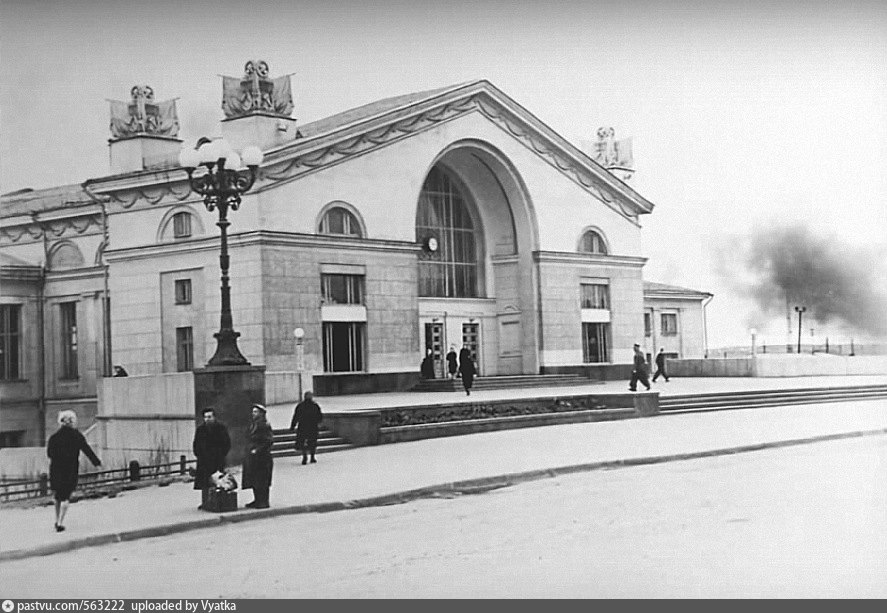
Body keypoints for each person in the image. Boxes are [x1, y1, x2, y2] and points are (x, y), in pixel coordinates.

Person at [46, 410, 102, 532]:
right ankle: (60, 522)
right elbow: (87, 450)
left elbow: (49, 454)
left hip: (56, 469)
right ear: (73, 422)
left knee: (57, 495)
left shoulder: (54, 437)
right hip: (70, 469)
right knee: (66, 496)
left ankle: (56, 520)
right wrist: (97, 462)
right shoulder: (77, 436)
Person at [192, 407, 232, 510]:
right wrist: (198, 454)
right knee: (204, 482)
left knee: (217, 481)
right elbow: (196, 443)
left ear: (214, 417)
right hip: (203, 460)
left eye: (209, 417)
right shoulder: (200, 429)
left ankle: (216, 501)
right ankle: (205, 502)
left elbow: (226, 443)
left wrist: (221, 454)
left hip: (217, 459)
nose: (207, 419)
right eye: (205, 417)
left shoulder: (221, 428)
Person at [242, 404, 273, 509]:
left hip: (263, 457)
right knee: (254, 479)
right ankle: (257, 500)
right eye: (253, 412)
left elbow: (269, 441)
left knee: (262, 480)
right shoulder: (253, 425)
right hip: (253, 457)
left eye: (256, 412)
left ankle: (264, 501)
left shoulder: (264, 425)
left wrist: (257, 450)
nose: (253, 414)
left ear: (261, 413)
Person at [290, 391, 323, 465]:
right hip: (312, 427)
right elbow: (319, 416)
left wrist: (293, 425)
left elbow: (296, 416)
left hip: (303, 426)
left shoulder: (301, 406)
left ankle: (305, 456)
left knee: (303, 442)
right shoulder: (315, 406)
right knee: (312, 442)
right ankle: (312, 457)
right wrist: (319, 422)